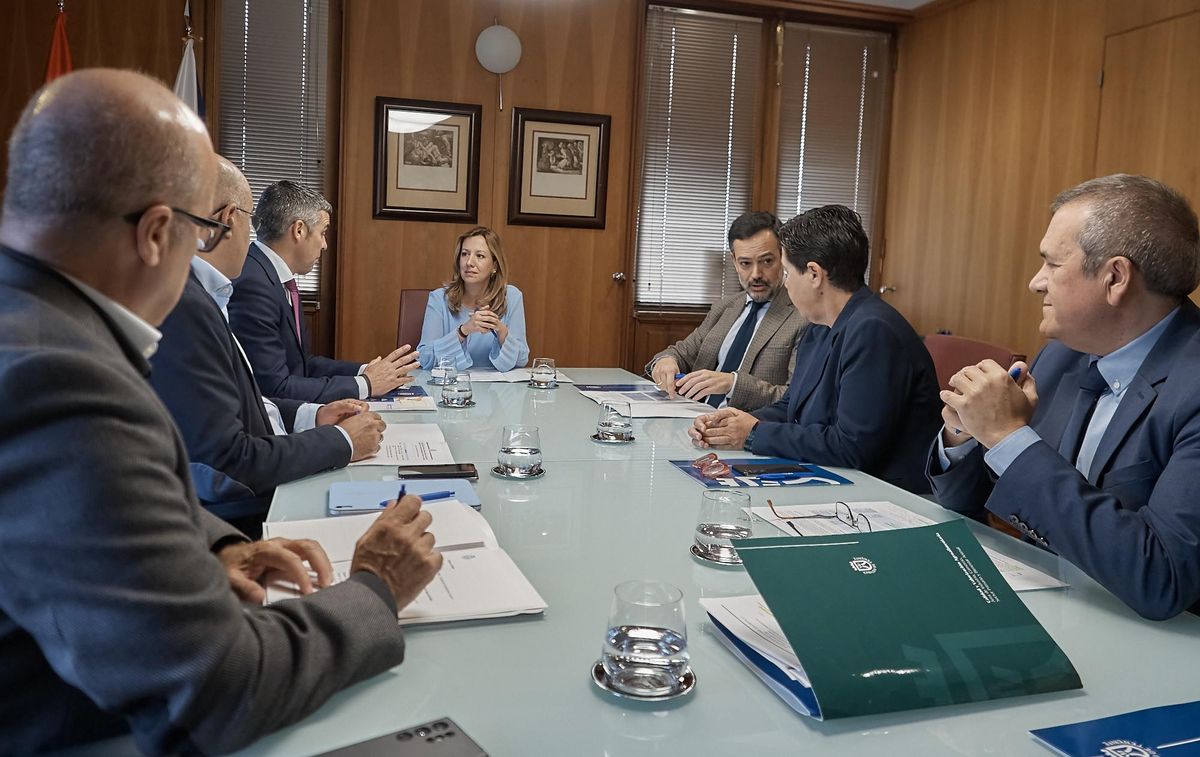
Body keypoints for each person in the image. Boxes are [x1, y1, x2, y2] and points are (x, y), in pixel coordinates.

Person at [0, 69, 441, 754]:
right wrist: (374, 589)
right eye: (200, 230)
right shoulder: (59, 382)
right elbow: (216, 691)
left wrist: (212, 548)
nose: (206, 257)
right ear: (154, 234)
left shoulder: (32, 319)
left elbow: (99, 505)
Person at [931, 174, 1200, 620]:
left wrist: (1008, 437)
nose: (1037, 283)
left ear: (1115, 277)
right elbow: (967, 502)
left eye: (1053, 265)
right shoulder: (1061, 355)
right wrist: (968, 432)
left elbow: (1163, 577)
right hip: (1056, 607)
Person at [150, 157, 387, 529]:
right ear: (228, 218)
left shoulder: (207, 293)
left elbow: (248, 401)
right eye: (249, 220)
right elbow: (228, 459)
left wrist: (313, 416)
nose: (255, 234)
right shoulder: (186, 306)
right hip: (245, 513)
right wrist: (340, 442)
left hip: (270, 468)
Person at [690, 205, 942, 494]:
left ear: (813, 274)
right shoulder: (820, 325)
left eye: (785, 272)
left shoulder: (874, 330)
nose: (784, 282)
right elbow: (792, 406)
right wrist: (730, 422)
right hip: (838, 481)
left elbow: (852, 446)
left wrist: (753, 434)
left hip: (889, 495)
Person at [228, 180, 419, 402]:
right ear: (299, 230)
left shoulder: (275, 276)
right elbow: (274, 388)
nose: (325, 244)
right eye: (323, 232)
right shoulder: (254, 284)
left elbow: (303, 364)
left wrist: (367, 370)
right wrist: (366, 384)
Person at [647, 211, 806, 410]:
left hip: (747, 430)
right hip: (691, 419)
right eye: (745, 263)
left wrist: (732, 384)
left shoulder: (803, 316)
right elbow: (680, 353)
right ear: (734, 261)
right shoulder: (725, 307)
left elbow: (794, 398)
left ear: (783, 257)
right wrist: (666, 361)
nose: (756, 274)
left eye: (766, 261)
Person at [417, 226, 529, 372]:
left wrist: (501, 332)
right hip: (450, 390)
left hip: (497, 392)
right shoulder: (439, 298)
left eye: (480, 256)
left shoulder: (511, 297)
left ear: (494, 265)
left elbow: (521, 359)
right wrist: (463, 331)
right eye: (464, 254)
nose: (469, 262)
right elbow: (424, 359)